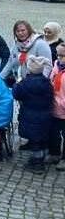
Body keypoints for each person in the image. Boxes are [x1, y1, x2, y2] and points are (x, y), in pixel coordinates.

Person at [13, 56, 54, 174]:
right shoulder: (47, 83)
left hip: (30, 115)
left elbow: (17, 94)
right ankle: (42, 157)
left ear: (29, 69)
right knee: (42, 138)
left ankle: (37, 164)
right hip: (45, 116)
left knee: (35, 140)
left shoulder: (25, 83)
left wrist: (17, 83)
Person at [49, 43, 65, 171]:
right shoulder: (56, 67)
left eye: (63, 56)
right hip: (54, 108)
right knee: (53, 133)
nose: (60, 58)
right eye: (58, 55)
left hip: (63, 109)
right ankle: (54, 153)